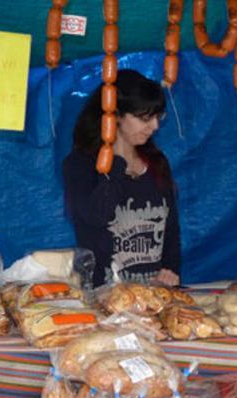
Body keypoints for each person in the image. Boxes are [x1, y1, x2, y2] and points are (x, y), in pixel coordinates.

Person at [63, 69, 181, 288]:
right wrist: (117, 159)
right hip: (105, 294)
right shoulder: (81, 165)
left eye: (157, 117)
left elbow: (171, 231)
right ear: (114, 115)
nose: (154, 126)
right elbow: (98, 216)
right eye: (144, 118)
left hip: (154, 292)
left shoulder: (156, 161)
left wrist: (169, 273)